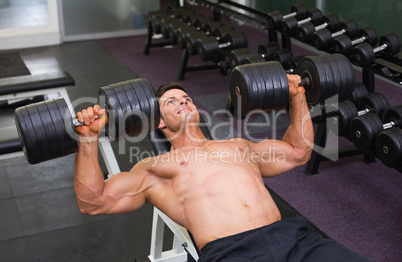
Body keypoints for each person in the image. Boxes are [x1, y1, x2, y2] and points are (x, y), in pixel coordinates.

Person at [74, 75, 369, 261]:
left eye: (186, 98)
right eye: (172, 102)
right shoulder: (155, 168)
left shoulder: (239, 146)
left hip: (294, 240)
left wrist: (298, 98)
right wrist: (88, 138)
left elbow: (298, 152)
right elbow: (93, 202)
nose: (184, 102)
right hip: (232, 253)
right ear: (158, 121)